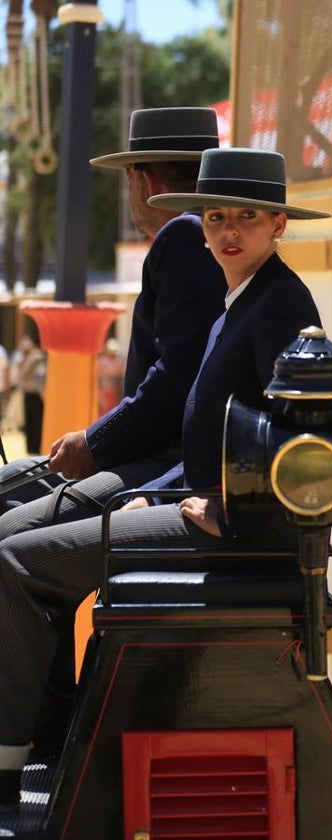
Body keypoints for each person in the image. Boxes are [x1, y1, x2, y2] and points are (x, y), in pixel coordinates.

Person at [0, 148, 329, 813]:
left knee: (12, 557)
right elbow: (202, 432)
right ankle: (55, 741)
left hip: (242, 534)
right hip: (198, 506)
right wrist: (167, 486)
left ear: (278, 225)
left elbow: (306, 440)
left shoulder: (281, 307)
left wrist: (228, 508)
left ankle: (9, 768)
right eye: (214, 217)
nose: (228, 231)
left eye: (247, 217)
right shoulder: (242, 298)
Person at [0, 107, 227, 537]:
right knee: (10, 488)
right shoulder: (200, 235)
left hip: (165, 465)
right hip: (159, 455)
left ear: (144, 180)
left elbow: (174, 378)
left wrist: (94, 441)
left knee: (11, 536)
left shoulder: (181, 235)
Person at [13, 336, 46, 456]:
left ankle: (35, 449)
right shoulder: (26, 358)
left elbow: (35, 376)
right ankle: (31, 449)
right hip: (28, 394)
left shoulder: (36, 358)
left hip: (36, 396)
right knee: (29, 423)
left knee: (36, 423)